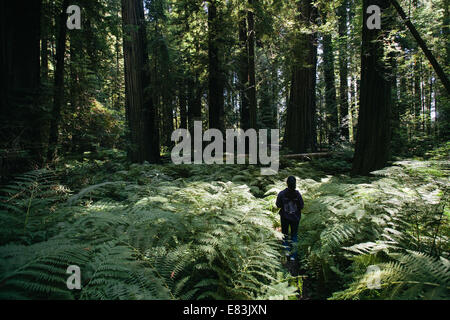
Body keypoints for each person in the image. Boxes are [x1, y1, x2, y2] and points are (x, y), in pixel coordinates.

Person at [276, 176, 304, 261]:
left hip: (284, 217)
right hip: (295, 218)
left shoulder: (282, 193)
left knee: (284, 234)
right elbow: (301, 206)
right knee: (294, 235)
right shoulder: (297, 194)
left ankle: (286, 252)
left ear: (287, 183)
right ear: (295, 183)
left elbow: (278, 205)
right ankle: (293, 256)